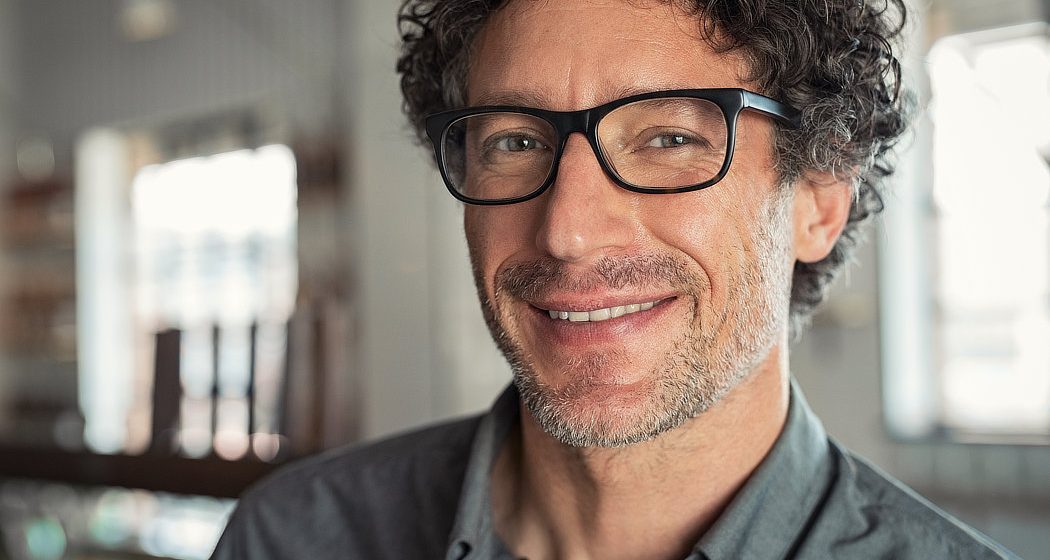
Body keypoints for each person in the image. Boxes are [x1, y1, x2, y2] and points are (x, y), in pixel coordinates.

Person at [211, 0, 1019, 558]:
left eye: (667, 138)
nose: (566, 232)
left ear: (818, 201)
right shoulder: (294, 537)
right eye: (515, 143)